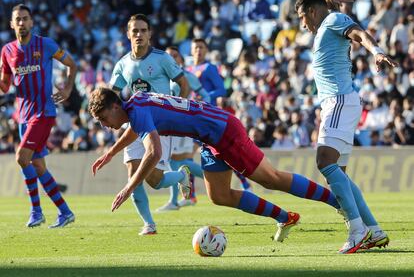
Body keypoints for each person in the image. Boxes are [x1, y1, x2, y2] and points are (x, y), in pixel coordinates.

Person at [89, 88, 343, 243]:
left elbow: (153, 153)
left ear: (114, 106)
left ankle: (337, 201)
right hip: (210, 137)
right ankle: (285, 218)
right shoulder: (135, 103)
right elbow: (135, 129)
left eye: (103, 118)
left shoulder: (137, 112)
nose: (103, 124)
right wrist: (111, 153)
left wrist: (129, 187)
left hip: (223, 132)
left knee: (271, 179)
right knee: (219, 195)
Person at [295, 0, 396, 253]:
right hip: (340, 102)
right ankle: (373, 229)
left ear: (313, 12)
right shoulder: (326, 24)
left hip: (338, 101)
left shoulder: (330, 21)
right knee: (339, 173)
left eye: (302, 17)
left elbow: (358, 33)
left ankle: (357, 230)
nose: (302, 24)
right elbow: (328, 9)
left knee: (324, 162)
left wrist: (376, 50)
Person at [108, 14, 191, 236]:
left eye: (143, 30)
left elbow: (184, 84)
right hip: (136, 124)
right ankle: (149, 224)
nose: (139, 35)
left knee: (156, 180)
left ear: (150, 34)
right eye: (135, 31)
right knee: (133, 172)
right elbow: (112, 95)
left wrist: (177, 112)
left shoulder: (162, 58)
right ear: (128, 34)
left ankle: (182, 176)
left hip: (161, 124)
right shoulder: (123, 64)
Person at [0, 4, 77, 228]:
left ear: (32, 22)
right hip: (22, 115)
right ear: (12, 24)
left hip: (43, 112)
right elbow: (5, 86)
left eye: (26, 19)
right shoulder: (7, 51)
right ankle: (65, 212)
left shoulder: (46, 44)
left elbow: (71, 64)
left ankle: (36, 211)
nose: (22, 23)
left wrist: (68, 88)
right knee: (38, 165)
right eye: (18, 19)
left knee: (22, 158)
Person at [185, 38, 251, 206]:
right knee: (187, 156)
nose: (198, 50)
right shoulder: (187, 70)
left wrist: (206, 96)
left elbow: (221, 89)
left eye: (201, 47)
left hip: (207, 117)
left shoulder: (209, 68)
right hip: (191, 117)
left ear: (206, 50)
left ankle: (245, 184)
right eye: (196, 47)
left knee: (220, 154)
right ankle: (191, 195)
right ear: (191, 51)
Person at [155, 46, 210, 212]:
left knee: (178, 160)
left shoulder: (187, 76)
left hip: (182, 122)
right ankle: (175, 200)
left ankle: (215, 177)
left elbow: (205, 96)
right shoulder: (162, 77)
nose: (171, 58)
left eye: (174, 55)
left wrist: (192, 110)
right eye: (168, 55)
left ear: (180, 60)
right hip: (168, 123)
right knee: (174, 161)